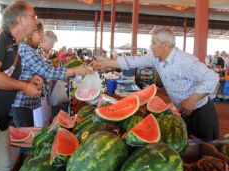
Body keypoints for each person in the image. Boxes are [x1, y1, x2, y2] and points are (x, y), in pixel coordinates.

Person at [91, 27, 220, 142]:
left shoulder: (184, 61)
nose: (151, 46)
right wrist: (103, 63)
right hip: (183, 112)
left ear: (165, 45)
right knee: (187, 149)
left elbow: (212, 78)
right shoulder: (155, 58)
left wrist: (192, 100)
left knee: (209, 152)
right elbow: (132, 62)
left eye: (154, 43)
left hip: (201, 113)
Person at [0, 1, 43, 171]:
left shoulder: (16, 47)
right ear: (20, 19)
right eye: (33, 15)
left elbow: (7, 80)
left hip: (0, 122)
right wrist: (25, 86)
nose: (36, 19)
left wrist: (27, 81)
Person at [11, 22, 93, 127]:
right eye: (40, 32)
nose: (42, 35)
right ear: (30, 33)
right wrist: (75, 70)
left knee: (29, 132)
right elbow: (47, 72)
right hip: (21, 102)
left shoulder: (30, 49)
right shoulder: (26, 49)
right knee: (24, 135)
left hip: (27, 101)